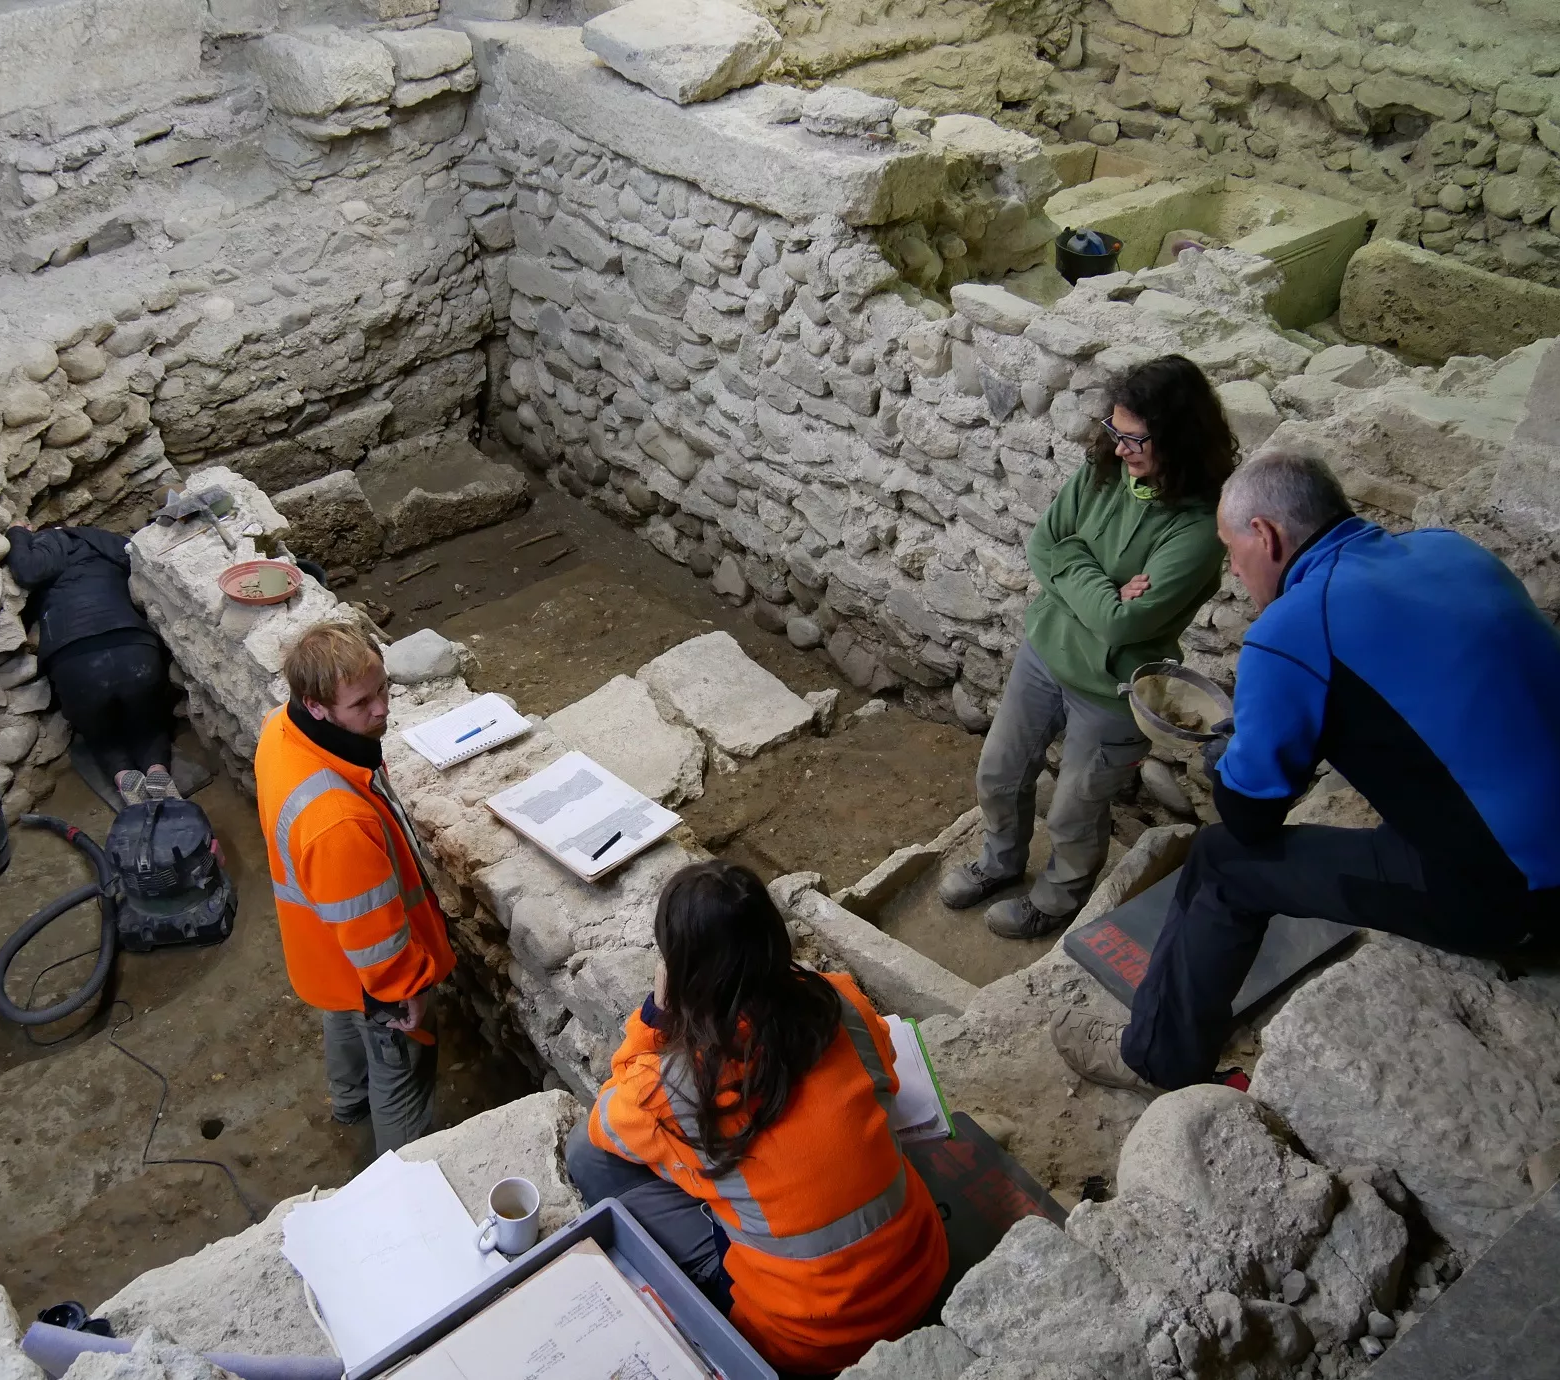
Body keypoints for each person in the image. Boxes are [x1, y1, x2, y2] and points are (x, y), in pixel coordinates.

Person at [1052, 447, 1560, 1094]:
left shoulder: (1290, 629)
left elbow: (1251, 816)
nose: (1233, 571)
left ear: (1265, 535)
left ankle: (1156, 1058)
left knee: (1220, 864)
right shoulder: (1450, 550)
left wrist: (1225, 756)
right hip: (1528, 815)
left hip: (1518, 895)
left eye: (1231, 551)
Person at [567, 860, 949, 1377]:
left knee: (586, 1157)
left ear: (679, 972)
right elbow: (885, 1068)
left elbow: (604, 1124)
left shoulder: (671, 1088)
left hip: (806, 1341)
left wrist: (655, 1019)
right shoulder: (841, 1001)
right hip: (922, 1271)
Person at [938, 354, 1238, 939]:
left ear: (1177, 438)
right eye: (1115, 432)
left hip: (1111, 686)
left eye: (1136, 439)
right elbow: (1047, 544)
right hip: (1047, 651)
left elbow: (1125, 626)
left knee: (1076, 805)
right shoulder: (1105, 466)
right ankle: (1000, 863)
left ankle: (1056, 899)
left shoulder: (1200, 528)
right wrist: (1100, 587)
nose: (1120, 448)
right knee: (999, 770)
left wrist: (1079, 571)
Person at [254, 621, 454, 1154]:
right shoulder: (336, 821)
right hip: (368, 970)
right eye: (362, 702)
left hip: (323, 952)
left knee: (342, 1022)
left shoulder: (281, 729)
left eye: (383, 688)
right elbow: (374, 939)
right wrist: (403, 988)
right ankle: (402, 1171)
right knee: (401, 1072)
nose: (382, 709)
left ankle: (347, 1103)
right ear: (316, 705)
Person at [6, 522, 176, 805]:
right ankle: (157, 771)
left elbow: (26, 571)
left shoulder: (46, 546)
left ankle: (124, 777)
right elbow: (136, 551)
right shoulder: (104, 541)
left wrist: (17, 533)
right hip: (134, 648)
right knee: (149, 724)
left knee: (102, 736)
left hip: (76, 661)